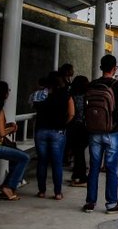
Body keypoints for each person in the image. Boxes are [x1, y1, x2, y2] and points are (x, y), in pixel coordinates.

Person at [82, 54, 118, 214]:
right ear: (115, 68)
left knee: (94, 167)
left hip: (94, 131)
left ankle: (90, 203)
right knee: (111, 168)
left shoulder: (92, 84)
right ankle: (111, 204)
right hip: (113, 131)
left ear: (101, 67)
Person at [0, 81, 30, 202]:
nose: (8, 93)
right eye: (8, 91)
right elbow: (2, 133)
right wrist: (12, 128)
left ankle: (9, 185)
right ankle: (9, 186)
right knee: (25, 157)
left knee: (16, 156)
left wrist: (7, 125)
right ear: (3, 94)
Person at [33, 71, 74, 200]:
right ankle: (57, 192)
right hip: (58, 132)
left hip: (41, 130)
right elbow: (72, 114)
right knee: (57, 163)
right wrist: (63, 123)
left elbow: (35, 107)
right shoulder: (66, 95)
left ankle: (41, 191)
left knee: (42, 162)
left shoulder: (40, 95)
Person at [68, 75, 89, 187]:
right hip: (86, 128)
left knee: (78, 154)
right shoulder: (87, 97)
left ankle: (80, 177)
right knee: (79, 153)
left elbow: (71, 114)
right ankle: (77, 176)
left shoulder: (72, 97)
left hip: (75, 127)